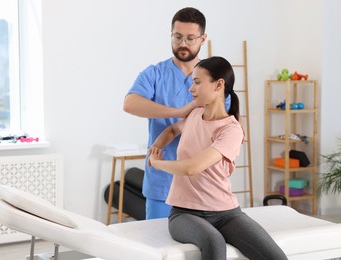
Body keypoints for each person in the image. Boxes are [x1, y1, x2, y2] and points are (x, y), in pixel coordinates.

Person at [148, 56, 287, 260]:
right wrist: (156, 147)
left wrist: (157, 164)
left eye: (197, 82)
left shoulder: (231, 130)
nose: (191, 89)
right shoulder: (195, 115)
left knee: (276, 257)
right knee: (213, 241)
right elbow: (172, 129)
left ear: (219, 84)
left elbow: (192, 168)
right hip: (184, 214)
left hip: (227, 214)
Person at [123, 7, 230, 219]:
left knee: (196, 249)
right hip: (162, 180)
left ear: (203, 38)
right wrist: (179, 112)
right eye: (178, 36)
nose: (183, 43)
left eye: (190, 38)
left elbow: (221, 124)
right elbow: (130, 103)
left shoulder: (215, 79)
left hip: (202, 182)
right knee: (159, 246)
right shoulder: (155, 73)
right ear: (171, 34)